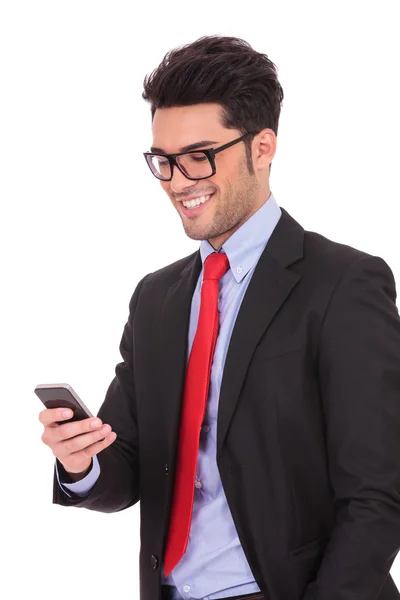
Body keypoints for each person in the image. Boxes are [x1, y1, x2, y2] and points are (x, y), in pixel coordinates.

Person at [39, 35, 400, 600]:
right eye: (164, 160)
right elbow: (129, 467)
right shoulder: (156, 298)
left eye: (200, 155)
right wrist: (82, 462)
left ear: (263, 146)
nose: (180, 180)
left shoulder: (343, 284)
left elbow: (379, 493)